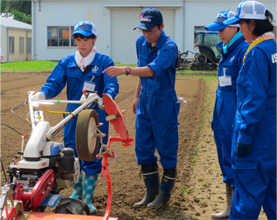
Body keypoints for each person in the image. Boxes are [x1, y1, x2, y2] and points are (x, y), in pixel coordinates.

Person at [32, 20, 119, 213]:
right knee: (72, 154)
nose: (82, 43)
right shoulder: (67, 63)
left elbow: (112, 84)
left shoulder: (104, 62)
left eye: (86, 38)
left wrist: (107, 96)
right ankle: (77, 192)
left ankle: (87, 197)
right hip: (72, 117)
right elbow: (54, 83)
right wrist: (43, 94)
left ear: (94, 40)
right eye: (78, 38)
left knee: (92, 154)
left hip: (95, 117)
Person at [102, 8, 180, 209]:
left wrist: (124, 70)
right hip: (145, 101)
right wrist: (137, 95)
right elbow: (142, 71)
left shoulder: (169, 47)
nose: (146, 34)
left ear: (161, 27)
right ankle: (151, 193)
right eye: (142, 30)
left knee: (166, 148)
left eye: (150, 30)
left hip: (164, 103)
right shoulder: (141, 43)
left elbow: (152, 70)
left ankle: (164, 196)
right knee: (143, 148)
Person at [222, 1, 276, 219]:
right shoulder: (272, 48)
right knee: (273, 195)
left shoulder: (255, 53)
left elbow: (253, 100)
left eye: (241, 24)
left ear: (252, 24)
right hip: (271, 136)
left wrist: (244, 136)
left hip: (255, 138)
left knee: (246, 198)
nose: (239, 29)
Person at [205, 10, 249, 219]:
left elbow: (245, 91)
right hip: (222, 113)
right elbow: (222, 88)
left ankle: (239, 210)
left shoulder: (243, 50)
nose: (219, 34)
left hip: (234, 116)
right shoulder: (226, 49)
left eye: (222, 29)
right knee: (225, 160)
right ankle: (230, 208)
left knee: (236, 162)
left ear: (235, 27)